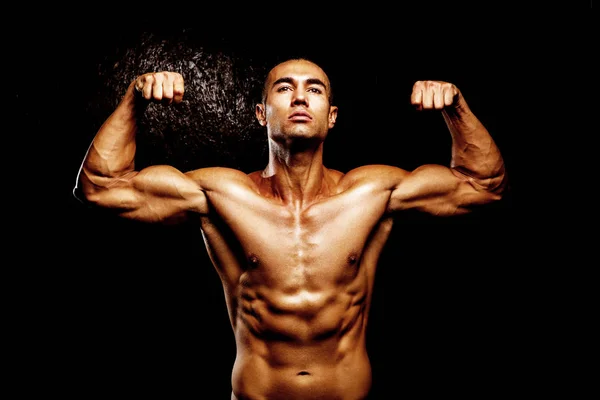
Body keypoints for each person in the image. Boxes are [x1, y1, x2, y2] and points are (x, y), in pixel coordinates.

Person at [74, 57, 507, 400]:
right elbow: (100, 186)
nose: (300, 98)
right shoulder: (223, 193)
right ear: (262, 114)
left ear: (332, 116)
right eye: (285, 88)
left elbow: (483, 185)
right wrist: (133, 99)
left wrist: (456, 109)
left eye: (313, 89)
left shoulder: (371, 192)